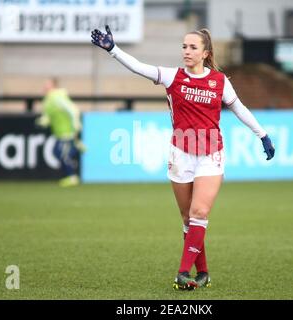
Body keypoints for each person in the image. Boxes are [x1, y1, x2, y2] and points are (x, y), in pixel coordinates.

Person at [91, 26, 275, 290]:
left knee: (200, 211)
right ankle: (204, 272)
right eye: (184, 47)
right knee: (189, 219)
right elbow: (137, 67)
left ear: (205, 53)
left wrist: (263, 135)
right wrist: (113, 49)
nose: (186, 52)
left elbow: (239, 108)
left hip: (211, 154)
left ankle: (181, 272)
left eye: (192, 48)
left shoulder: (219, 81)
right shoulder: (171, 76)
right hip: (180, 154)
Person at [36, 77, 86, 187]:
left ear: (54, 86)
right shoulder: (49, 99)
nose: (45, 86)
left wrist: (76, 124)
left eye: (47, 84)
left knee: (61, 153)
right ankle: (76, 147)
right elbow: (50, 114)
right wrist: (45, 120)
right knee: (59, 152)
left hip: (67, 131)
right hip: (60, 132)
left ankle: (72, 177)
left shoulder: (57, 97)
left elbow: (73, 110)